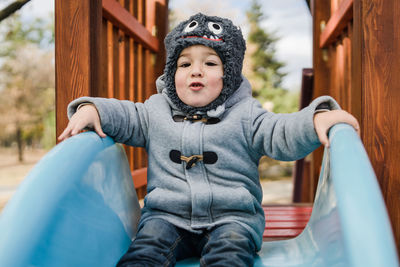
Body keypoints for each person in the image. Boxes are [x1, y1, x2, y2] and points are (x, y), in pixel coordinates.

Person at [58, 13, 359, 267]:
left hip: (233, 219)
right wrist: (92, 108)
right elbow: (124, 114)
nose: (195, 71)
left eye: (210, 63)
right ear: (172, 72)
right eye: (184, 64)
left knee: (230, 254)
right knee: (145, 250)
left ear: (229, 75)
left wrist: (315, 118)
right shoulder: (155, 111)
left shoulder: (246, 115)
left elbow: (281, 131)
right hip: (166, 217)